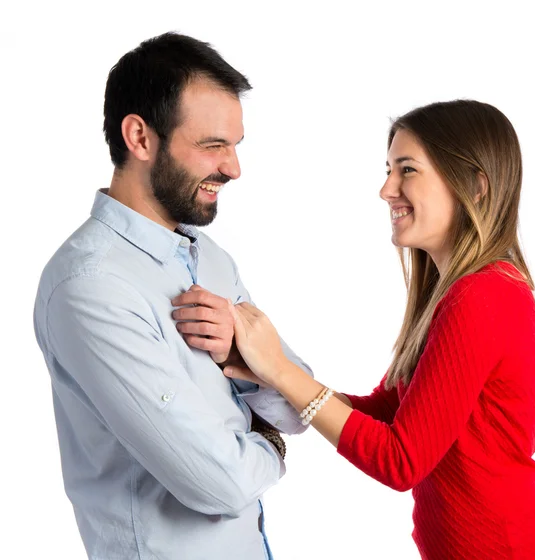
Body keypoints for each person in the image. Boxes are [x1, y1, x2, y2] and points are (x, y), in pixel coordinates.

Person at [219, 100, 535, 558]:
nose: (386, 189)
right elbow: (388, 411)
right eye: (388, 169)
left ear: (474, 184)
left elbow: (401, 460)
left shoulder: (484, 296)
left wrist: (282, 371)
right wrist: (271, 375)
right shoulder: (463, 293)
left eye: (406, 170)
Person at [33, 32, 313, 560]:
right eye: (213, 146)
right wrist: (269, 445)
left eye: (234, 147)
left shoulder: (209, 257)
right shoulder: (90, 287)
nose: (233, 168)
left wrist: (245, 360)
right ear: (140, 138)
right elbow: (220, 486)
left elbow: (300, 408)